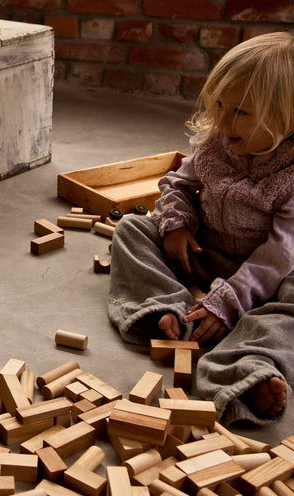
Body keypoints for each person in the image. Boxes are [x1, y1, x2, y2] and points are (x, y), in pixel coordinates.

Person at [108, 31, 294, 426]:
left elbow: (281, 253)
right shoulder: (216, 143)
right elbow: (177, 184)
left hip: (269, 279)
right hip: (202, 256)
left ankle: (245, 368)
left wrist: (230, 300)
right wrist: (176, 225)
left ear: (287, 118)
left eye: (241, 112)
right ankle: (164, 308)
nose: (223, 120)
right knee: (131, 229)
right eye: (219, 105)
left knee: (290, 306)